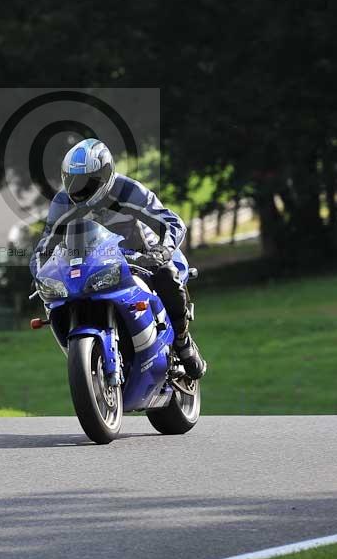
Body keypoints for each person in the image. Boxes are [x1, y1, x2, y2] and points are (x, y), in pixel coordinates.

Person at [29, 138, 207, 379]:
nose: (79, 189)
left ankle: (183, 343)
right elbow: (44, 248)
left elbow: (171, 221)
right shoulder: (62, 202)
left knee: (166, 273)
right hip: (90, 263)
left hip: (139, 255)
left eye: (88, 181)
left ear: (106, 174)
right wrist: (40, 275)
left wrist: (161, 252)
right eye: (72, 181)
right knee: (58, 298)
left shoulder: (128, 190)